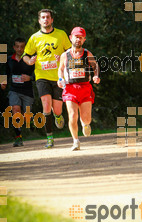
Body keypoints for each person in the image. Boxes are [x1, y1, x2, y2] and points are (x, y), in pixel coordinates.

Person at [23, 9, 71, 148]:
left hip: (59, 76)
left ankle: (58, 116)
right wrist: (29, 61)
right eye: (43, 17)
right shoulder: (34, 37)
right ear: (39, 21)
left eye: (48, 17)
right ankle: (49, 137)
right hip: (42, 76)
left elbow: (70, 52)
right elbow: (25, 55)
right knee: (46, 105)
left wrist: (63, 56)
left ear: (52, 20)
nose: (46, 20)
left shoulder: (61, 34)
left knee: (57, 109)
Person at [58, 27, 100, 151]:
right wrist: (60, 79)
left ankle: (85, 124)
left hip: (85, 87)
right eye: (76, 37)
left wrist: (96, 75)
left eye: (81, 37)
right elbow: (60, 69)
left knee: (86, 118)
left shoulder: (87, 53)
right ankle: (75, 141)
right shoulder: (65, 55)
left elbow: (95, 65)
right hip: (70, 88)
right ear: (71, 38)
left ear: (84, 40)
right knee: (72, 115)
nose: (78, 39)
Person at [1, 38, 35, 147]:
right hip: (14, 90)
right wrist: (3, 82)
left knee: (26, 116)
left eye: (22, 47)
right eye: (17, 46)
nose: (20, 49)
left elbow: (38, 74)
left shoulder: (31, 60)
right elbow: (3, 71)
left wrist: (30, 78)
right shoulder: (9, 59)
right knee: (15, 110)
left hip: (27, 91)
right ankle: (18, 137)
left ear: (26, 48)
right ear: (14, 47)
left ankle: (30, 122)